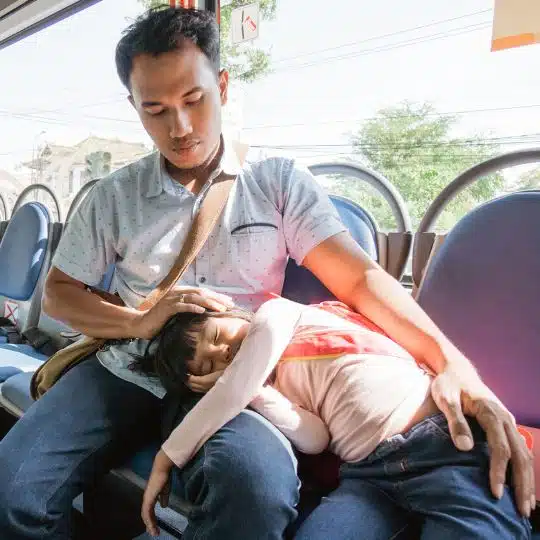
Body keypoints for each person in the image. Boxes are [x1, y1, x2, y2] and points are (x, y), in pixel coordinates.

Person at [0, 5, 534, 540]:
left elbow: (361, 280)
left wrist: (452, 365)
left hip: (237, 373)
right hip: (125, 366)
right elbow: (62, 294)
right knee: (12, 493)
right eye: (156, 109)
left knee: (253, 490)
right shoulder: (114, 196)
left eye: (194, 100)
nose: (180, 127)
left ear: (224, 86)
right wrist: (139, 322)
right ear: (135, 109)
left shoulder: (276, 183)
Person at [135, 297, 533, 539]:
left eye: (219, 335)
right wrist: (261, 396)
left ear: (232, 312)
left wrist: (168, 456)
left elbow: (237, 381)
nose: (223, 354)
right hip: (369, 477)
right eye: (209, 363)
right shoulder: (262, 385)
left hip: (442, 449)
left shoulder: (280, 315)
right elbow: (315, 439)